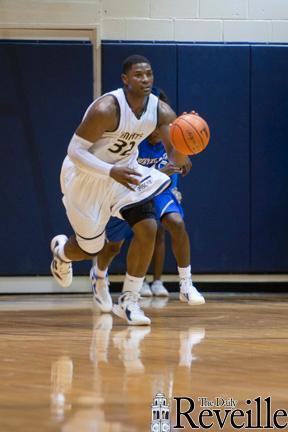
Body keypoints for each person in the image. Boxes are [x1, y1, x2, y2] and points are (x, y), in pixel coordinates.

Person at [50, 54, 191, 326]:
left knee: (148, 227)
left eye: (149, 74)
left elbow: (175, 155)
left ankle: (129, 300)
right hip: (85, 176)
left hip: (125, 174)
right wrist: (109, 170)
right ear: (125, 79)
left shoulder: (160, 111)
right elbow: (74, 151)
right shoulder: (106, 109)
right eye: (138, 75)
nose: (145, 79)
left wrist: (188, 142)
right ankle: (62, 253)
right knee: (91, 247)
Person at [90, 89, 205, 313]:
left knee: (176, 223)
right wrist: (161, 169)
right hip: (130, 190)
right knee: (113, 246)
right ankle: (99, 275)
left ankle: (186, 283)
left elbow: (181, 159)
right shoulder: (132, 138)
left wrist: (188, 138)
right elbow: (132, 173)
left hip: (159, 190)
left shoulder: (172, 133)